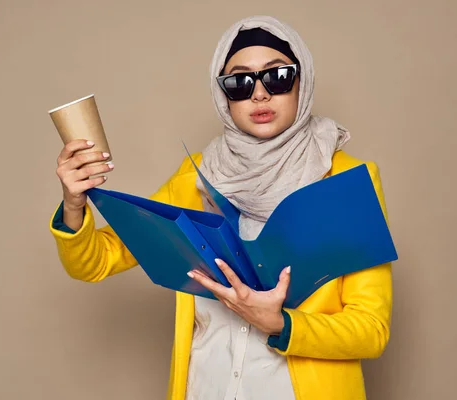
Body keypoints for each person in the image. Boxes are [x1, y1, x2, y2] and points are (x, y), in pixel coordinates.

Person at [49, 15, 392, 400]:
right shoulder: (197, 177)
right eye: (240, 82)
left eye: (277, 77)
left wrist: (282, 324)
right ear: (223, 94)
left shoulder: (344, 181)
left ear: (303, 81)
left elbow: (370, 330)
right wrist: (74, 203)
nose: (259, 95)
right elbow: (94, 262)